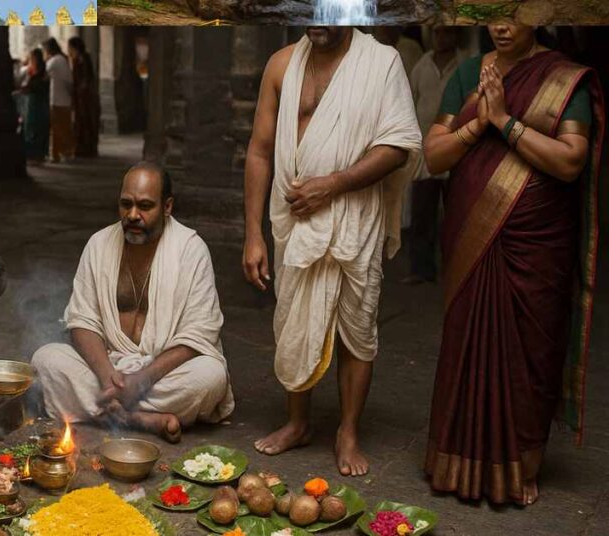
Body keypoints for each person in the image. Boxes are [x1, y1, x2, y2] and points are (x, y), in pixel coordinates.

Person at [423, 23, 603, 506]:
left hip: (536, 247)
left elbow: (570, 162)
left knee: (530, 351)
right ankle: (455, 460)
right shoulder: (469, 72)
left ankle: (519, 466)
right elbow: (434, 155)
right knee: (467, 340)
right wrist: (477, 123)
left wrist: (503, 121)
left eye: (514, 13)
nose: (501, 26)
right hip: (471, 236)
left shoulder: (564, 79)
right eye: (493, 13)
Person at [242, 27, 421, 476]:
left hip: (353, 218)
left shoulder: (381, 64)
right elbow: (260, 151)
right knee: (293, 320)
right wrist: (252, 233)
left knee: (356, 329)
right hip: (296, 220)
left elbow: (398, 145)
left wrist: (334, 184)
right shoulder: (281, 64)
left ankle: (348, 431)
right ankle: (298, 422)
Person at [33, 162, 234, 443]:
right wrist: (106, 377)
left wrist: (142, 380)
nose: (133, 215)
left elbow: (200, 333)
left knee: (211, 376)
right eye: (125, 204)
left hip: (162, 371)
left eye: (145, 206)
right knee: (47, 359)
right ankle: (137, 420)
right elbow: (81, 321)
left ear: (167, 207)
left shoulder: (191, 250)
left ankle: (106, 412)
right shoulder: (99, 244)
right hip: (108, 368)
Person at [402, 26, 466, 285]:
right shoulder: (422, 64)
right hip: (425, 151)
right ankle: (422, 269)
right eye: (438, 33)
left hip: (457, 150)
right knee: (422, 215)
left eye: (447, 33)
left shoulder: (466, 64)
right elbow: (410, 99)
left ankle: (458, 270)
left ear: (456, 36)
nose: (442, 38)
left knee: (457, 216)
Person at [14, 48, 50, 164]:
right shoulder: (38, 73)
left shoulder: (40, 75)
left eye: (31, 59)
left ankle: (36, 155)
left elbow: (32, 87)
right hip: (35, 104)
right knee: (32, 129)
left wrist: (22, 89)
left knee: (34, 129)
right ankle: (35, 154)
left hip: (36, 105)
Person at [43, 38, 75, 163]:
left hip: (56, 100)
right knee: (64, 128)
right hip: (64, 99)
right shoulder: (63, 60)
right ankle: (65, 153)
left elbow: (44, 74)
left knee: (56, 129)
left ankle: (56, 154)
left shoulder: (54, 61)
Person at [68, 36, 100, 158]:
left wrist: (81, 92)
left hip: (85, 98)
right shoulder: (76, 60)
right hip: (80, 96)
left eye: (70, 47)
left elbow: (85, 79)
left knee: (85, 122)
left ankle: (87, 149)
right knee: (80, 123)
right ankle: (82, 148)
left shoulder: (83, 59)